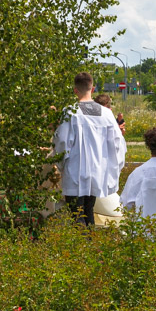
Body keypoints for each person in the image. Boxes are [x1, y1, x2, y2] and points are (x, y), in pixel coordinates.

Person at [53, 72, 127, 226]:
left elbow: (61, 142)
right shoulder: (106, 114)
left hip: (75, 171)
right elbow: (117, 144)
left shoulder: (71, 112)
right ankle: (90, 245)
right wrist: (113, 168)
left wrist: (60, 164)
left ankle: (82, 247)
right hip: (96, 172)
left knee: (77, 215)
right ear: (92, 89)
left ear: (75, 90)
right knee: (89, 212)